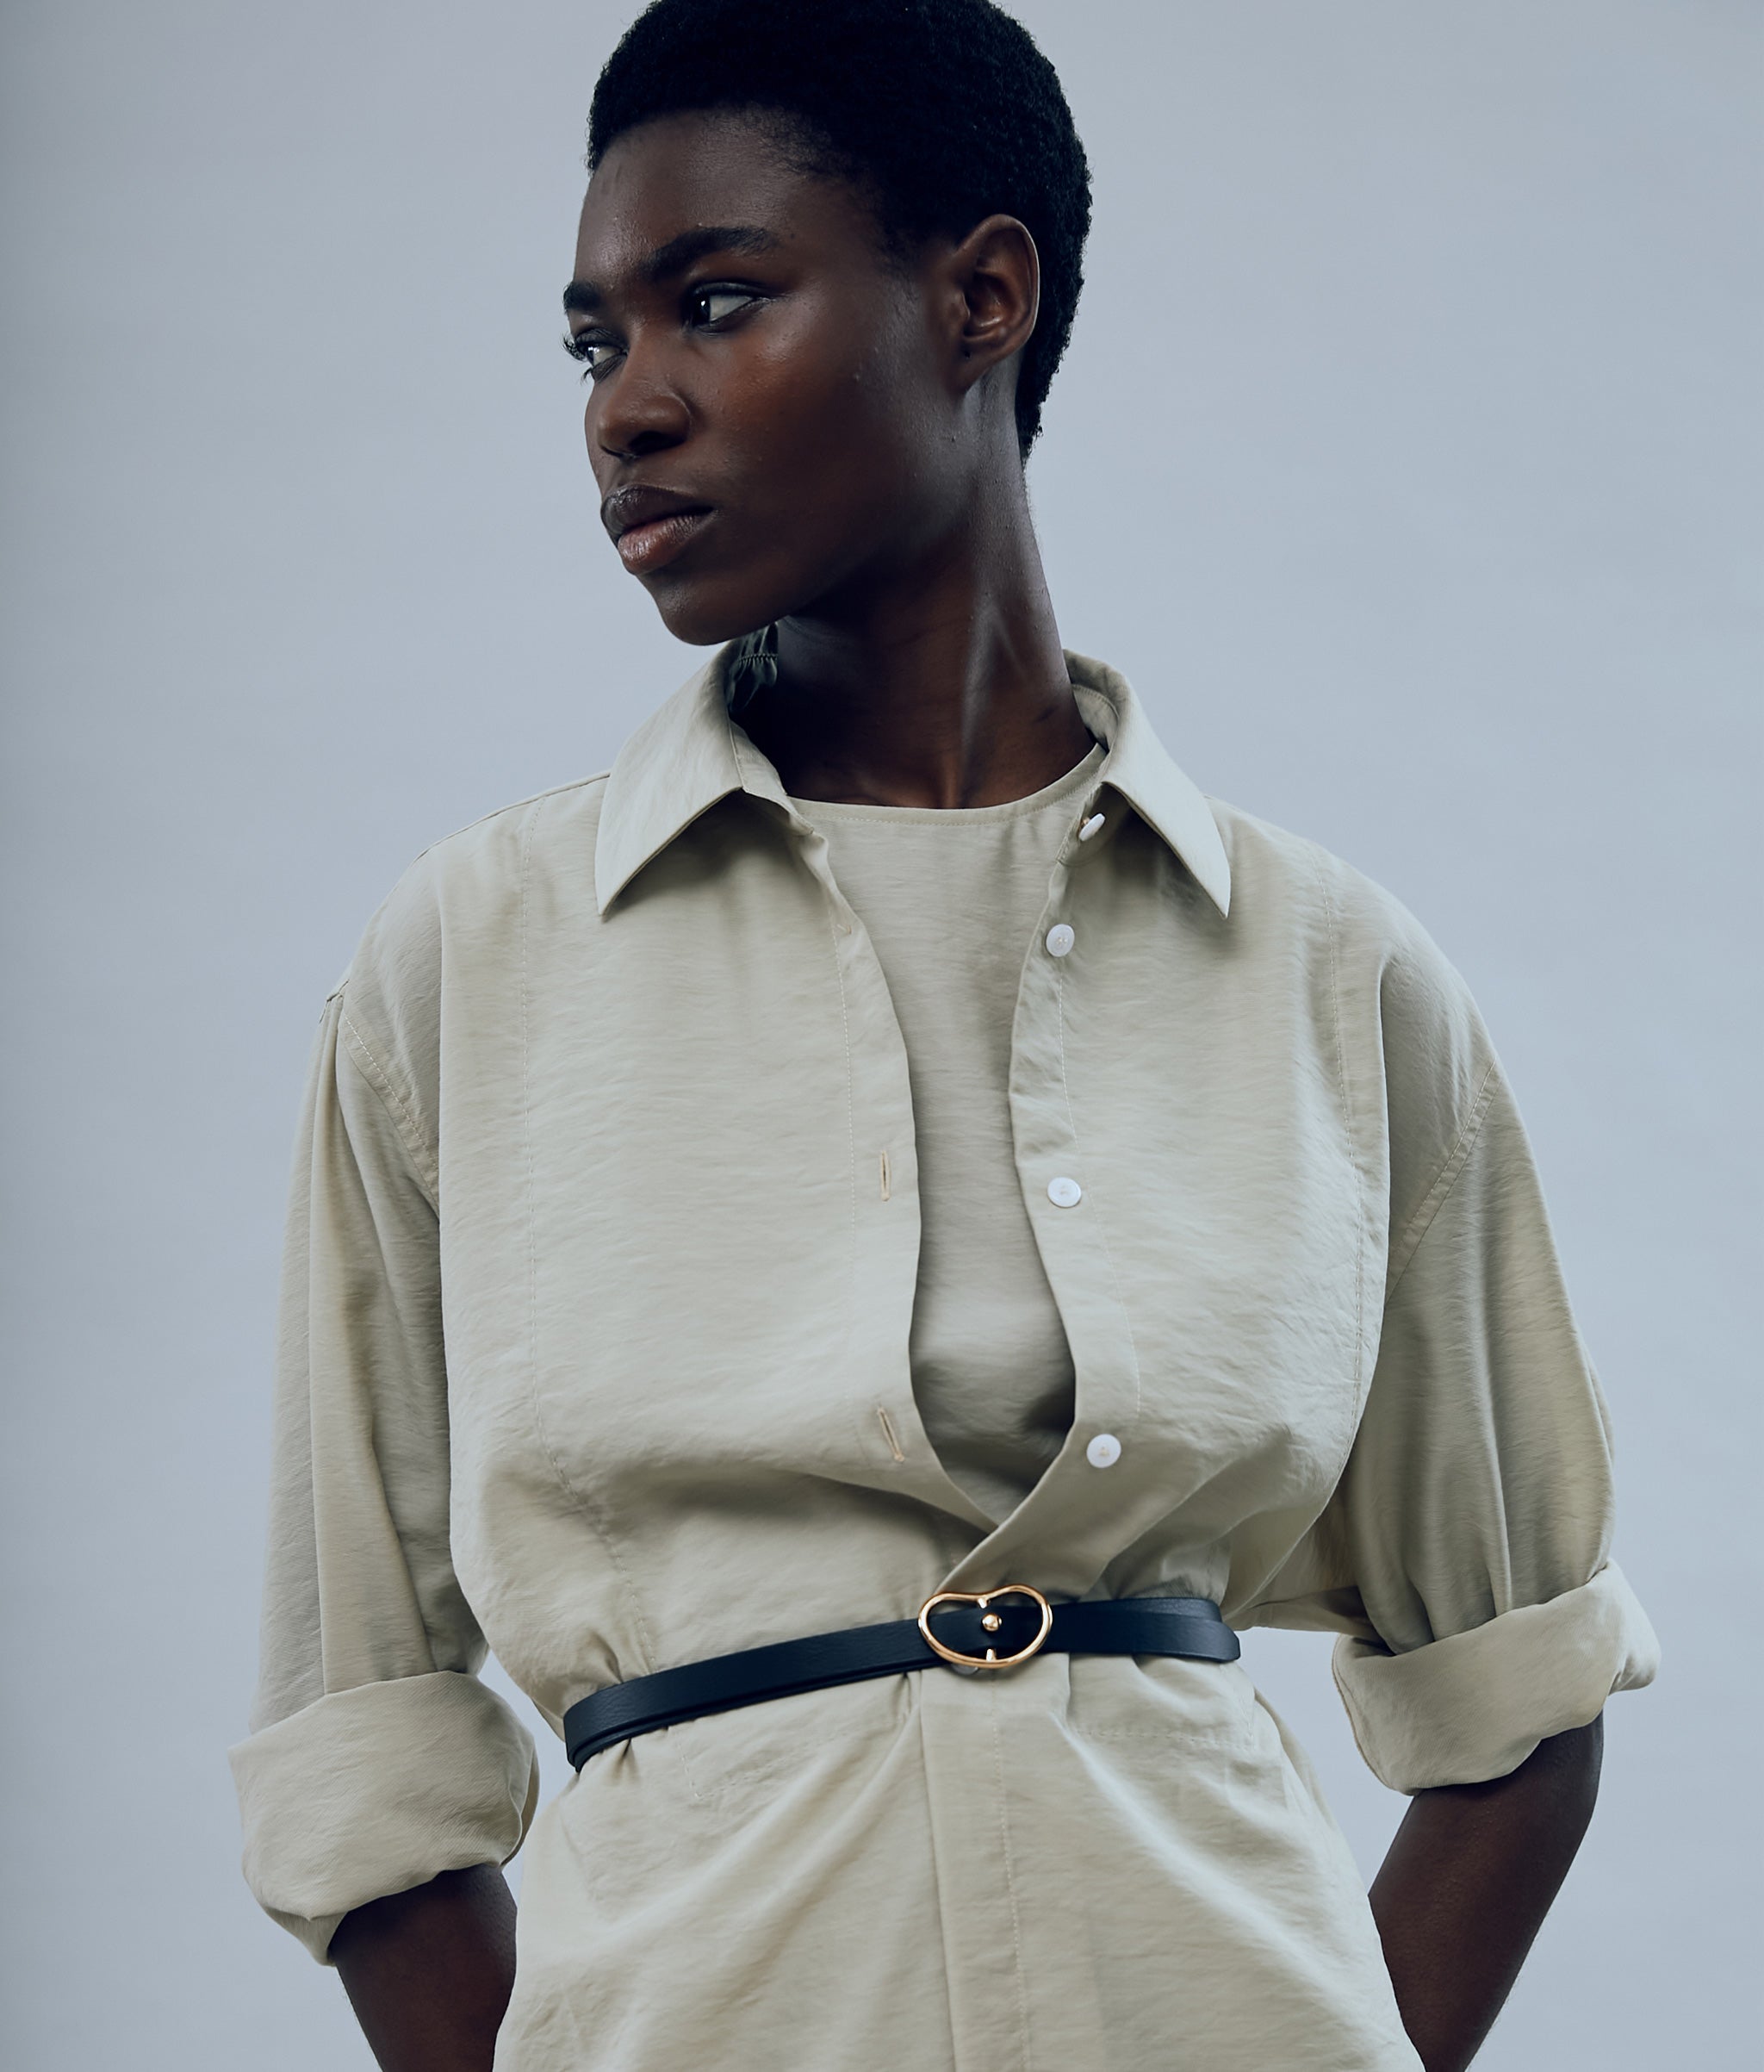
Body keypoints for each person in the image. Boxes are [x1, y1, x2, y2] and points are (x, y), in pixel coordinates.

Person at [228, 3, 1659, 2067]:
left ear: (981, 295)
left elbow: (1519, 1699)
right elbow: (359, 1722)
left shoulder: (1332, 970)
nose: (627, 408)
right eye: (593, 343)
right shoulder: (470, 960)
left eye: (711, 304)